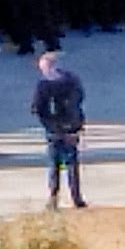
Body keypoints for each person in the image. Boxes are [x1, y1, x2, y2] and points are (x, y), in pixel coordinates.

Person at [28, 47, 89, 210]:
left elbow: (37, 107)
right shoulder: (72, 81)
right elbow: (80, 99)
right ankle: (77, 197)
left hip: (53, 129)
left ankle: (54, 198)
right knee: (71, 162)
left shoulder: (43, 86)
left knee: (54, 164)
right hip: (71, 127)